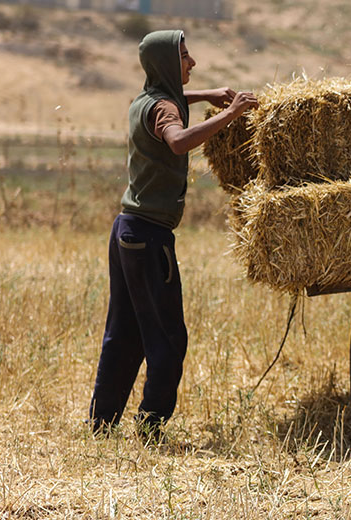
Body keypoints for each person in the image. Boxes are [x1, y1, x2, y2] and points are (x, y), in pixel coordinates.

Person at [89, 29, 257, 441]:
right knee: (168, 337)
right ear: (167, 63)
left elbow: (167, 103)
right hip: (149, 238)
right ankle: (151, 424)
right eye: (184, 56)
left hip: (126, 229)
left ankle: (101, 422)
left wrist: (204, 95)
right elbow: (179, 141)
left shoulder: (143, 100)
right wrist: (231, 112)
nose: (192, 62)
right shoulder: (164, 109)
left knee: (124, 331)